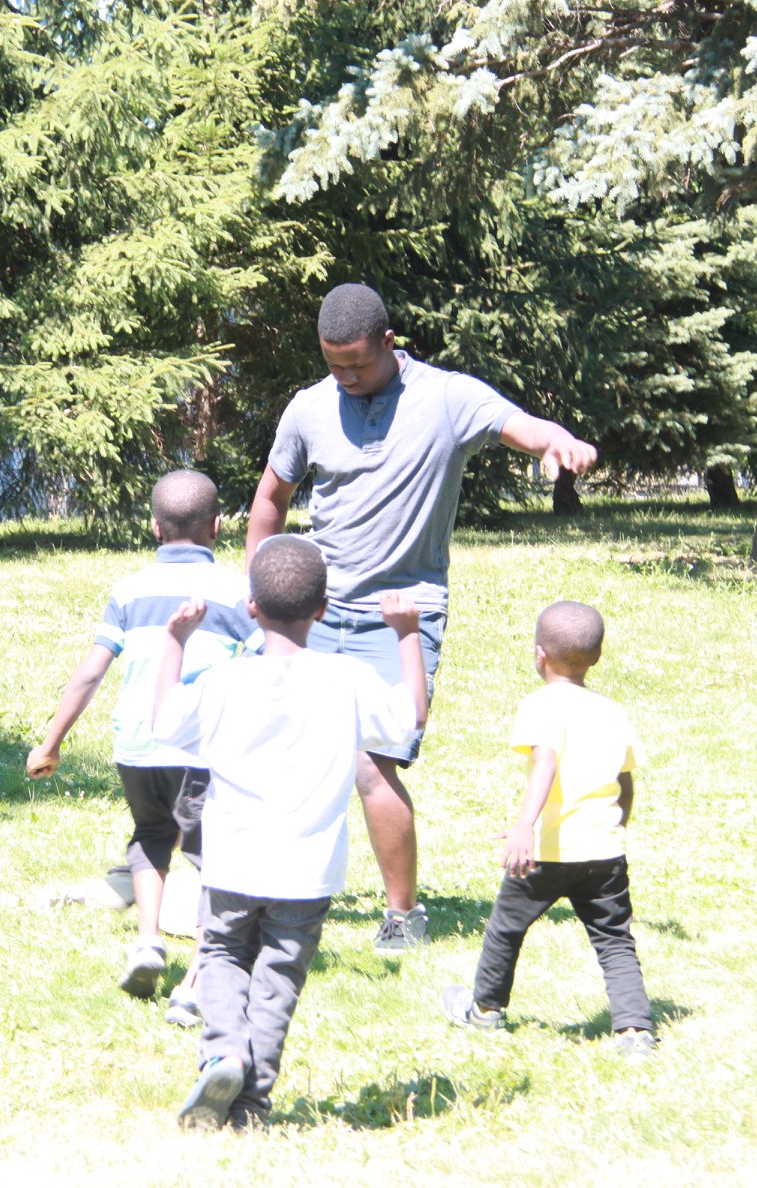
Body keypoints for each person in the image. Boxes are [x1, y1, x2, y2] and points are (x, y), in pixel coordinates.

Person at [246, 282, 599, 951]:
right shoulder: (309, 409)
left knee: (373, 763)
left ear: (389, 342)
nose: (347, 378)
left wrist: (557, 442)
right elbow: (271, 498)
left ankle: (403, 915)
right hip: (313, 611)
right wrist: (258, 589)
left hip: (404, 612)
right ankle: (266, 893)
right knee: (279, 750)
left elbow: (519, 426)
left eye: (359, 363)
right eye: (334, 364)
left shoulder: (445, 397)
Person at [153, 536, 427, 1130]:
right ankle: (250, 1106)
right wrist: (407, 634)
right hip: (307, 872)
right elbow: (410, 717)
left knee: (222, 952)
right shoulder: (348, 678)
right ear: (322, 610)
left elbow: (166, 722)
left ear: (251, 606)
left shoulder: (225, 681)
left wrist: (174, 642)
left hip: (231, 860)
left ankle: (224, 1051)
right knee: (278, 976)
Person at [27, 470, 259, 1025]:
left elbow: (91, 671)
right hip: (202, 749)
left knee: (151, 837)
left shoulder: (128, 590)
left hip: (136, 745)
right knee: (210, 859)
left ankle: (149, 942)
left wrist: (51, 740)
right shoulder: (235, 591)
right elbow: (262, 667)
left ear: (154, 527)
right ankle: (198, 981)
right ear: (219, 527)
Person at [439, 600, 656, 1058]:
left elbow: (546, 762)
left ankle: (484, 1010)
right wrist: (617, 827)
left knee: (505, 929)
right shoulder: (612, 711)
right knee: (614, 939)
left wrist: (524, 825)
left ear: (539, 655)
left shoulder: (539, 706)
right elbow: (625, 782)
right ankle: (635, 1032)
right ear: (596, 658)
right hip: (603, 851)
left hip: (547, 851)